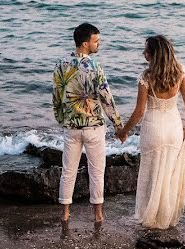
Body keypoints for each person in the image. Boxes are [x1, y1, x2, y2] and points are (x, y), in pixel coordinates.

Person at [117, 35, 185, 230]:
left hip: (153, 129)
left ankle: (149, 216)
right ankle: (164, 218)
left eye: (146, 51)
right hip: (174, 128)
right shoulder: (179, 72)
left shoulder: (146, 77)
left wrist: (124, 131)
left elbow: (139, 112)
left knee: (151, 174)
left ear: (153, 55)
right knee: (168, 175)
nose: (143, 54)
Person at [52, 23, 125, 224]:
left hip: (72, 128)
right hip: (93, 128)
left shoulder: (61, 65)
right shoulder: (95, 67)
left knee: (68, 171)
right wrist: (118, 125)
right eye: (96, 41)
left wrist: (62, 119)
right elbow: (106, 98)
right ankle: (98, 215)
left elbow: (57, 97)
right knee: (96, 172)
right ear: (85, 44)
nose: (98, 44)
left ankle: (65, 214)